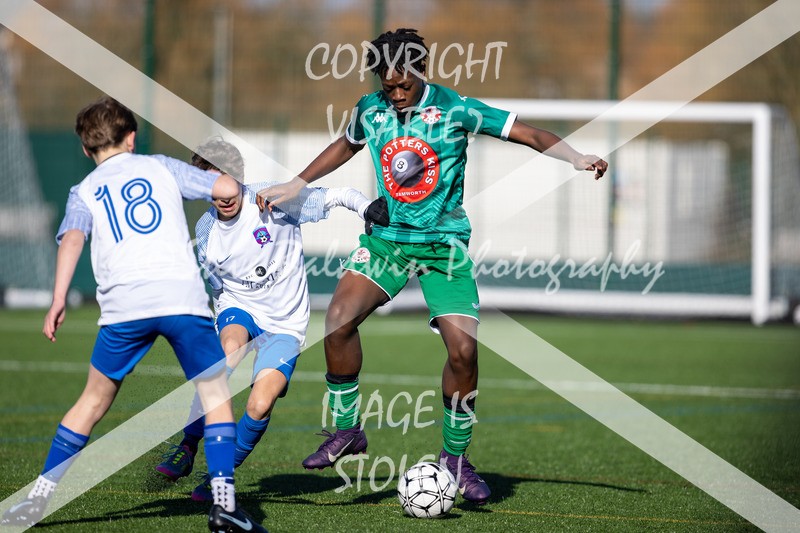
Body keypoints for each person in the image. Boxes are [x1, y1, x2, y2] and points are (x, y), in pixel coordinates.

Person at [259, 28, 607, 505]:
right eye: (389, 87)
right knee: (338, 321)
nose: (397, 95)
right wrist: (297, 182)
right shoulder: (370, 108)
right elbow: (347, 143)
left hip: (444, 248)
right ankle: (347, 431)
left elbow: (529, 133)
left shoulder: (456, 108)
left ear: (423, 71)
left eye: (405, 85)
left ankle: (456, 460)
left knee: (463, 352)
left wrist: (575, 157)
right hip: (387, 243)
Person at [0, 97, 266, 533]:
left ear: (87, 150)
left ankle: (35, 503)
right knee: (215, 395)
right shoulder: (161, 166)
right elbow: (225, 189)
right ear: (131, 137)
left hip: (124, 306)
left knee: (91, 402)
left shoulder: (84, 191)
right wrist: (222, 182)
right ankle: (224, 506)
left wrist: (58, 298)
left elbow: (71, 240)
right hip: (181, 300)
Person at [153, 138, 389, 501]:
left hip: (285, 324)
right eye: (213, 185)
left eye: (228, 181)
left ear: (241, 179)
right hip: (239, 307)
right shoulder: (205, 233)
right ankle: (186, 445)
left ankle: (221, 476)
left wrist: (365, 208)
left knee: (260, 403)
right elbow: (217, 290)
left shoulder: (273, 198)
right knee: (227, 355)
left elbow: (336, 195)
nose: (224, 193)